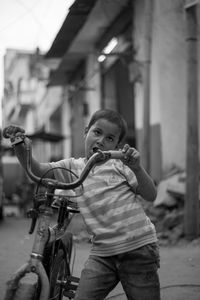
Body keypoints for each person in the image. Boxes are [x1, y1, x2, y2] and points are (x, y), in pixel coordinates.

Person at [4, 109, 160, 300]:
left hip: (138, 248)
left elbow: (151, 195)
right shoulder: (72, 166)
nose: (101, 140)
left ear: (117, 145)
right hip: (103, 254)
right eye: (97, 132)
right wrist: (20, 145)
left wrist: (137, 167)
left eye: (110, 138)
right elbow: (38, 173)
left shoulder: (120, 165)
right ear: (86, 131)